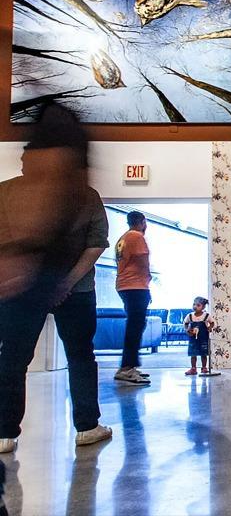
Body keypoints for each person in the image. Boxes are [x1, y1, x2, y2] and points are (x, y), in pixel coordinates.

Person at [0, 103, 112, 454]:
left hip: (21, 287)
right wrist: (66, 282)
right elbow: (96, 244)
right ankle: (86, 426)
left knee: (13, 358)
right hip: (76, 290)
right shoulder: (86, 194)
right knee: (80, 355)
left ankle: (4, 432)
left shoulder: (6, 192)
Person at [113, 210, 152, 385]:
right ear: (142, 222)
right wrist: (147, 282)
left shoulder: (122, 239)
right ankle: (127, 368)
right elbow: (144, 262)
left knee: (134, 325)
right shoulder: (137, 237)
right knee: (135, 327)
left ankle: (129, 367)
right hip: (136, 286)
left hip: (124, 285)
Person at [184, 297, 215, 375]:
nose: (195, 306)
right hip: (193, 338)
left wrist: (209, 328)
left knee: (203, 353)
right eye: (194, 304)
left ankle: (204, 368)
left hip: (203, 337)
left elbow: (212, 323)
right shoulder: (190, 316)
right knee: (193, 353)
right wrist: (187, 330)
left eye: (198, 305)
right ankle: (193, 368)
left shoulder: (206, 316)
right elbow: (185, 323)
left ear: (203, 307)